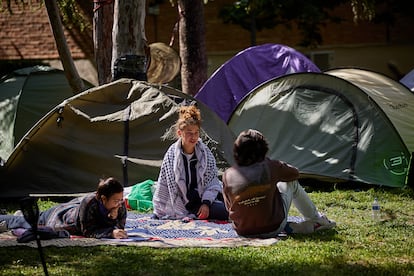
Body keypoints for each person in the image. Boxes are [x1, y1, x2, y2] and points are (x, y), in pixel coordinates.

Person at [222, 129, 336, 238]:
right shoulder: (270, 166)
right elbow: (294, 173)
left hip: (242, 231)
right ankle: (316, 219)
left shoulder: (227, 174)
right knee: (291, 182)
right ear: (264, 149)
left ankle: (296, 227)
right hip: (272, 228)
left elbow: (229, 206)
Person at [152, 105, 229, 221]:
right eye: (189, 133)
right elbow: (167, 185)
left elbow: (212, 182)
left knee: (225, 211)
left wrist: (206, 204)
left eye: (196, 132)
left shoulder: (205, 154)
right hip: (177, 202)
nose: (193, 137)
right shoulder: (172, 155)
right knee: (164, 214)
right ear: (180, 133)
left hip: (200, 201)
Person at [0, 177, 128, 239]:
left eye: (120, 199)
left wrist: (114, 218)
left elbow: (120, 229)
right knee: (27, 222)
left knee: (25, 220)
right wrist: (110, 232)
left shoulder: (119, 206)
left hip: (73, 209)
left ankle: (19, 216)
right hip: (59, 218)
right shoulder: (89, 203)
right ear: (104, 199)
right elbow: (88, 232)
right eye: (115, 200)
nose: (119, 203)